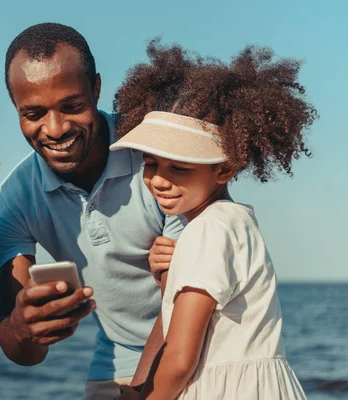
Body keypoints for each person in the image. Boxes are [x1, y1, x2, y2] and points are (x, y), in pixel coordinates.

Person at [0, 23, 184, 399]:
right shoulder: (9, 203)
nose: (55, 128)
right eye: (34, 113)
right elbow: (24, 354)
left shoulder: (161, 158)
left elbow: (186, 302)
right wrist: (26, 328)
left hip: (209, 345)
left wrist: (140, 390)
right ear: (16, 109)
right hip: (117, 358)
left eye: (72, 106)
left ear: (96, 90)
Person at [112, 40, 316, 399]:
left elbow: (179, 360)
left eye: (179, 167)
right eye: (150, 164)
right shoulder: (233, 222)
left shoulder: (207, 230)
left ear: (225, 169)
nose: (160, 179)